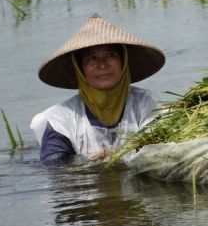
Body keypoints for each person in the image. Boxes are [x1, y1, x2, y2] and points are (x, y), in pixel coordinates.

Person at [30, 14, 166, 164]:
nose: (102, 65)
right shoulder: (60, 119)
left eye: (110, 55)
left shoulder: (146, 104)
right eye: (92, 58)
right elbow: (54, 167)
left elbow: (158, 151)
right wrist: (84, 162)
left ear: (123, 61)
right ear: (80, 68)